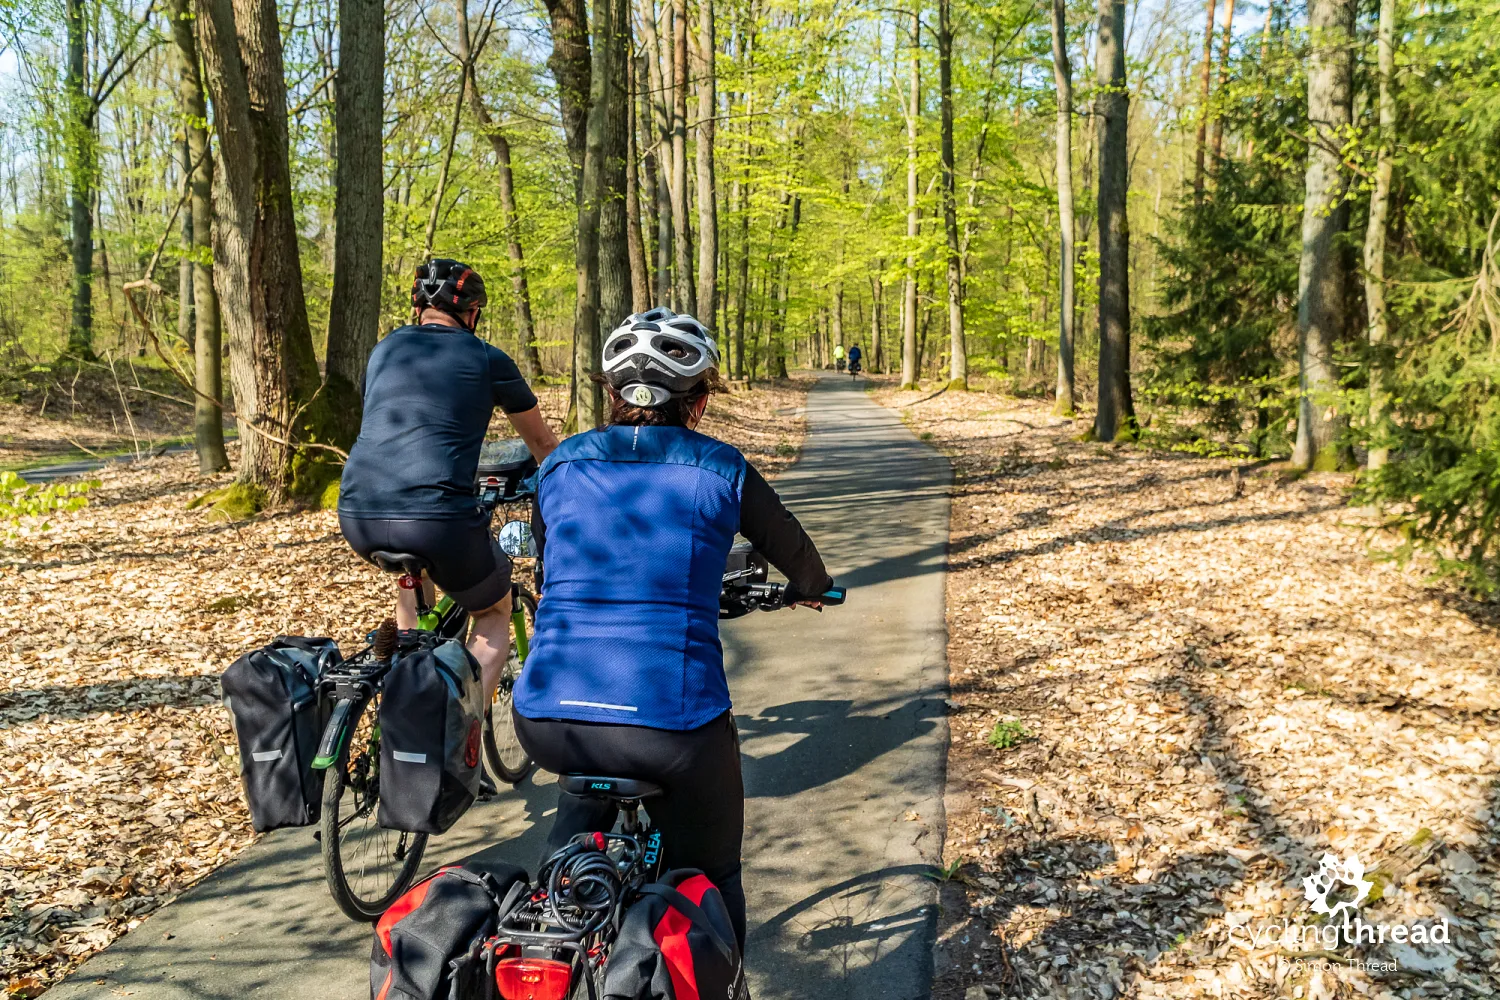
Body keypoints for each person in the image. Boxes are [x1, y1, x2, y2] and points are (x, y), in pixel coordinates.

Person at [512, 307, 834, 950]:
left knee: (578, 811)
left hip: (547, 718)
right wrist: (809, 590)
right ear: (701, 402)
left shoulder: (558, 467)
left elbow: (551, 569)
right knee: (713, 874)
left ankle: (552, 916)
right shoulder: (721, 468)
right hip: (670, 727)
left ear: (610, 395)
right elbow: (800, 558)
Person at [338, 258, 559, 705]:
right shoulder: (486, 357)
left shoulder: (385, 350)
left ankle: (406, 695)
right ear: (472, 312)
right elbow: (542, 445)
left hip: (357, 512)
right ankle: (460, 740)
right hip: (436, 518)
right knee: (494, 612)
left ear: (418, 308)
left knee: (411, 581)